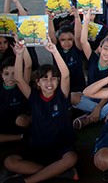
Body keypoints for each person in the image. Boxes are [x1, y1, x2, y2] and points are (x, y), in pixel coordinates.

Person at [3, 41, 78, 182]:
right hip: (38, 147)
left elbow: (66, 75)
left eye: (53, 78)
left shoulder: (61, 96)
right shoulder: (34, 97)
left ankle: (27, 181)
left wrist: (55, 51)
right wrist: (19, 55)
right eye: (44, 78)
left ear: (57, 81)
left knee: (71, 158)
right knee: (10, 161)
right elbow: (19, 79)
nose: (49, 82)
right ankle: (57, 172)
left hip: (62, 147)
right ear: (37, 82)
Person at [0, 56, 30, 144]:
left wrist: (20, 52)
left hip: (21, 123)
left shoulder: (22, 86)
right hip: (5, 127)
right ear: (1, 74)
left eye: (14, 74)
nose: (10, 77)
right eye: (6, 74)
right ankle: (20, 137)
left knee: (21, 120)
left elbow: (28, 66)